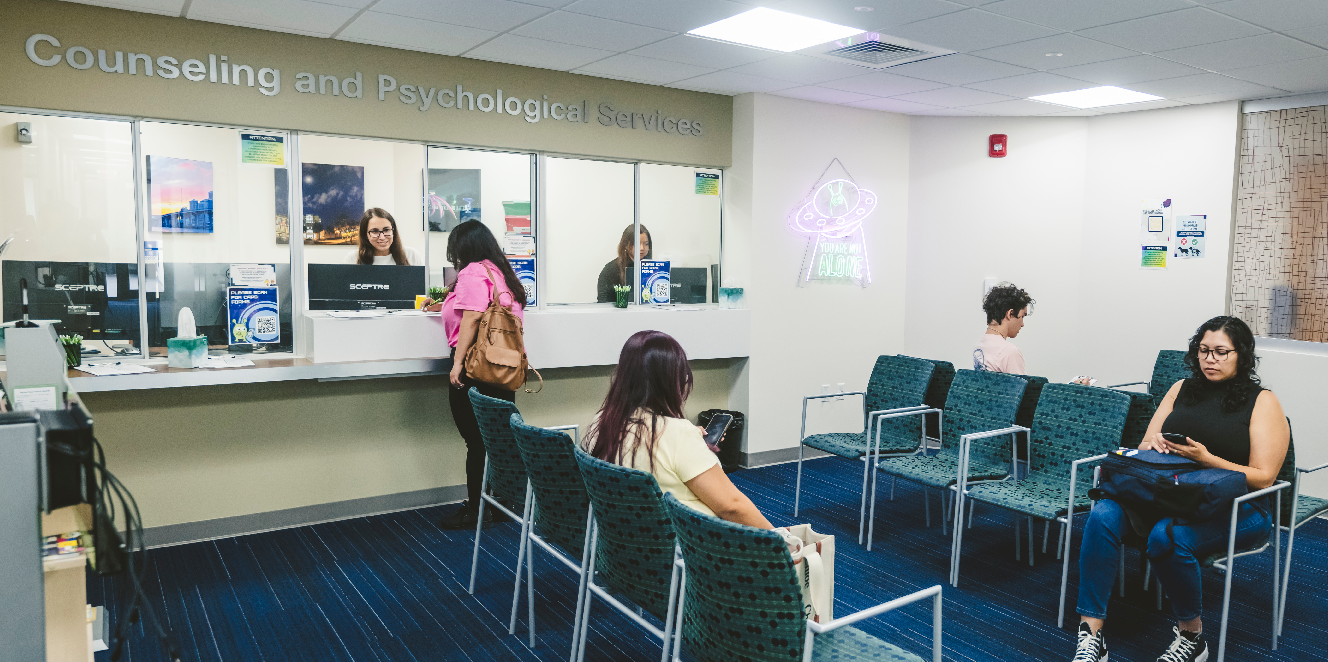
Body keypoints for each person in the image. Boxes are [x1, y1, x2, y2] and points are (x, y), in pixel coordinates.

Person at [1072, 316, 1289, 662]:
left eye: (1221, 352)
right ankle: (1091, 636)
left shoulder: (1262, 401)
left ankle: (1192, 637)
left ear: (1241, 355)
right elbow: (1145, 444)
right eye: (1204, 350)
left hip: (1240, 507)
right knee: (1103, 515)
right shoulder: (1180, 388)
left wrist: (1207, 459)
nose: (1210, 359)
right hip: (1174, 494)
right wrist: (1155, 445)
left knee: (1166, 537)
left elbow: (1264, 477)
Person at [585, 330, 771, 529]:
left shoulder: (601, 422)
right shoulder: (678, 434)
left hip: (627, 540)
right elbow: (733, 507)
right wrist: (781, 540)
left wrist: (692, 444)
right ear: (670, 382)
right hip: (689, 548)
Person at [436, 220, 529, 530]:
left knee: (475, 442)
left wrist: (457, 363)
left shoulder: (473, 272)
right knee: (495, 440)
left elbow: (473, 317)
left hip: (477, 366)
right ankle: (496, 504)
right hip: (503, 367)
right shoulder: (501, 273)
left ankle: (476, 510)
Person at [974, 282, 1032, 374]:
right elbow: (1019, 388)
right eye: (1022, 316)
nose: (1022, 324)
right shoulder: (1009, 351)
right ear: (1010, 314)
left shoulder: (979, 346)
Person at [596, 224, 652, 303]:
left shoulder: (653, 268)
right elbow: (603, 303)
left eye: (646, 244)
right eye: (637, 243)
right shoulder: (611, 270)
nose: (642, 248)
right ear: (626, 244)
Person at [344, 208, 420, 265]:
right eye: (374, 231)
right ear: (366, 235)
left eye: (386, 230)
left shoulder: (411, 255)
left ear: (393, 231)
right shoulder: (353, 258)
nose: (382, 237)